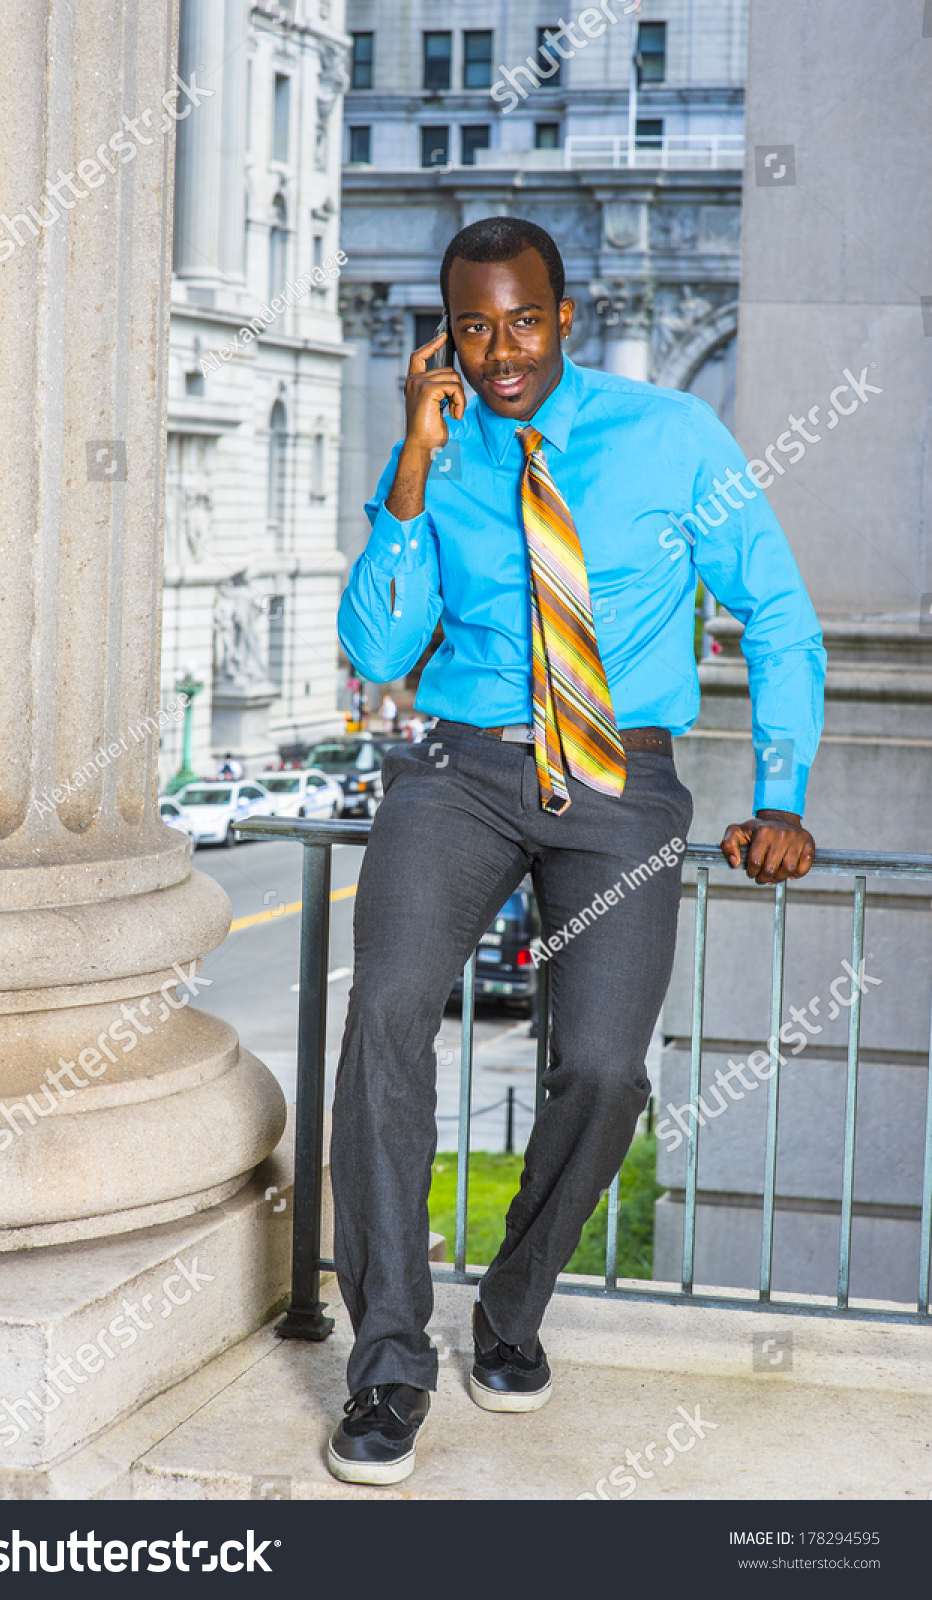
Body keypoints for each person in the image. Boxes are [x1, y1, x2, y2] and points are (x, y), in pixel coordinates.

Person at [327, 217, 824, 1486]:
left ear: (567, 311)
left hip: (620, 779)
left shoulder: (670, 438)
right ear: (443, 332)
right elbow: (382, 656)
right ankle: (388, 1364)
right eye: (473, 327)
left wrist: (781, 791)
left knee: (603, 1067)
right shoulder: (434, 454)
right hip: (459, 770)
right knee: (385, 1013)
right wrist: (409, 471)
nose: (501, 352)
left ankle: (511, 1309)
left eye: (525, 321)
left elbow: (775, 607)